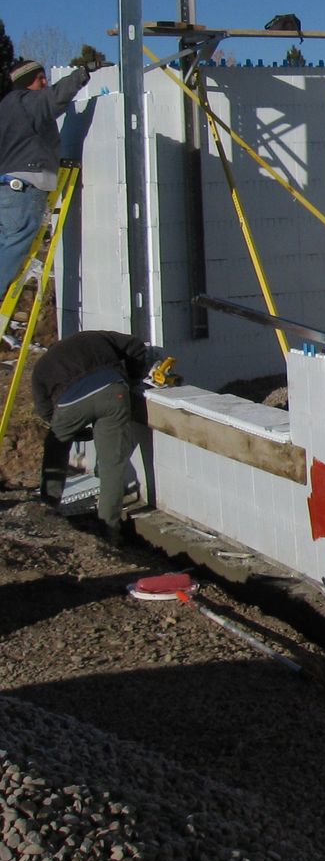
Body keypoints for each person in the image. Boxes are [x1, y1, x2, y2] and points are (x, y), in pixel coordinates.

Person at [31, 330, 156, 544]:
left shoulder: (42, 367)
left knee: (55, 451)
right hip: (113, 393)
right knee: (111, 465)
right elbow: (136, 347)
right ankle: (110, 532)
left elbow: (46, 413)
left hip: (70, 405)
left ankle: (48, 510)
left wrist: (76, 432)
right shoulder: (97, 337)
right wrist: (134, 377)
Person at [0, 57, 95, 295]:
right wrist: (83, 73)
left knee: (5, 243)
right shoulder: (26, 102)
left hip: (7, 188)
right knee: (16, 242)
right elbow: (54, 98)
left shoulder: (6, 106)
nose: (44, 82)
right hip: (25, 187)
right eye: (40, 78)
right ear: (27, 82)